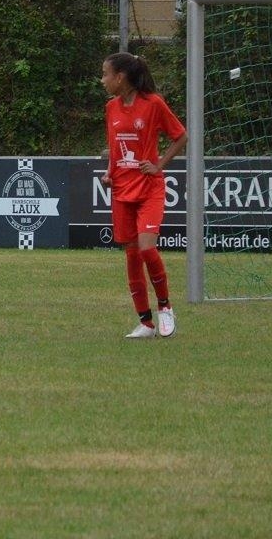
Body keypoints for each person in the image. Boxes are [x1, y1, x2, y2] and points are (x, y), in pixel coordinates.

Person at [100, 52, 188, 339]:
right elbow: (115, 148)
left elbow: (181, 136)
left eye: (105, 74)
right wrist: (109, 173)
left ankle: (165, 307)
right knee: (132, 255)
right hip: (121, 190)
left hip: (149, 188)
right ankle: (146, 323)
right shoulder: (111, 108)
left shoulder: (153, 104)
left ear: (120, 77)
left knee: (147, 249)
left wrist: (159, 165)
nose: (102, 80)